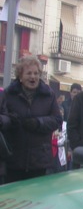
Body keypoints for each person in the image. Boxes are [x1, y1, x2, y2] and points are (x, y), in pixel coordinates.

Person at [1, 55, 62, 183]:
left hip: (39, 160)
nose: (33, 77)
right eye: (29, 73)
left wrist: (38, 123)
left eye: (36, 73)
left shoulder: (48, 94)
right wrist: (10, 120)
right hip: (14, 159)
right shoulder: (8, 94)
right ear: (20, 76)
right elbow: (3, 117)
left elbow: (57, 120)